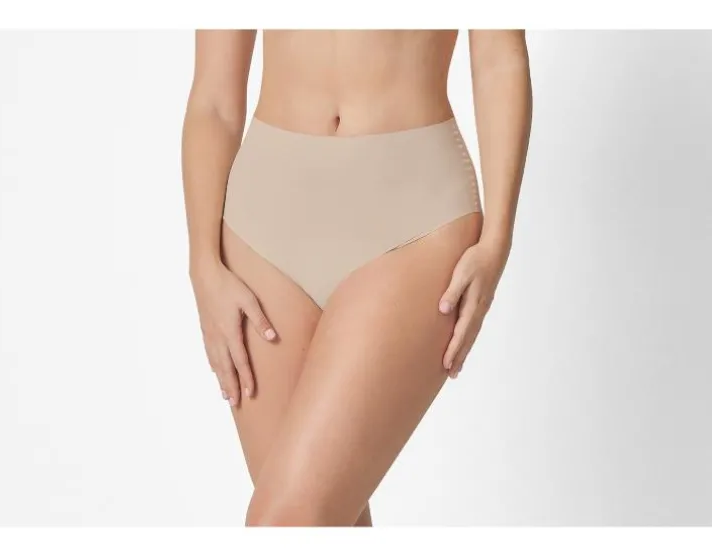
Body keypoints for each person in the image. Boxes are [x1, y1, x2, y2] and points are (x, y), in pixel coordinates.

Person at [181, 30, 532, 526]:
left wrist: (498, 240)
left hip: (413, 215)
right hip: (261, 227)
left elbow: (498, 56)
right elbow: (213, 99)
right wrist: (203, 263)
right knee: (326, 519)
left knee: (287, 519)